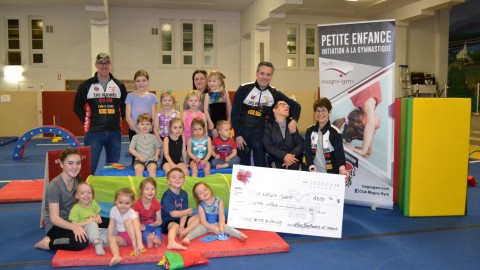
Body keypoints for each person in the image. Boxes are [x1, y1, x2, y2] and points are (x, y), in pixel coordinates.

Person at [231, 61, 301, 167]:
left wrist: (294, 120)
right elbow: (234, 113)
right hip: (242, 130)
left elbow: (296, 105)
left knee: (258, 147)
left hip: (259, 131)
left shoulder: (274, 93)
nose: (265, 77)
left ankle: (262, 179)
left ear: (271, 76)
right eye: (262, 73)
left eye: (268, 74)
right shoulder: (244, 88)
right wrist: (238, 134)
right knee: (243, 160)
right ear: (257, 73)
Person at [74, 53, 127, 175]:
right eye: (101, 63)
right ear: (96, 65)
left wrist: (116, 120)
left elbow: (124, 107)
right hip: (93, 133)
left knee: (113, 167)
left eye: (107, 63)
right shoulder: (86, 85)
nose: (104, 66)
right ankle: (85, 193)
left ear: (110, 65)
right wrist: (88, 120)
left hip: (114, 132)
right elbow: (77, 107)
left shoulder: (119, 85)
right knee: (89, 166)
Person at [34, 148, 89, 251]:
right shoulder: (54, 186)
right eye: (70, 163)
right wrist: (74, 227)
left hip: (74, 218)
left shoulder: (77, 180)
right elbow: (54, 218)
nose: (75, 167)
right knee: (81, 242)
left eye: (78, 163)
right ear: (62, 164)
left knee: (105, 222)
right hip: (56, 225)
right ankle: (47, 244)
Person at [182, 182, 247, 245]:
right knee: (198, 229)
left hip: (218, 223)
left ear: (209, 189)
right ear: (198, 197)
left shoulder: (219, 201)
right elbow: (203, 221)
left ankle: (239, 234)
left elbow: (221, 216)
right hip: (207, 225)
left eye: (205, 189)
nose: (204, 192)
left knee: (228, 228)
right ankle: (187, 238)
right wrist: (213, 228)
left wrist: (221, 227)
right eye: (200, 193)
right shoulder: (201, 206)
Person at [333, 81, 382, 157]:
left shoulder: (368, 99)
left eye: (375, 128)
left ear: (365, 121)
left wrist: (363, 150)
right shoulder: (361, 101)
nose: (379, 126)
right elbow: (369, 126)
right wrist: (369, 147)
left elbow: (370, 125)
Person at [305, 98, 349, 180]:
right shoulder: (309, 131)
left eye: (324, 110)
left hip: (331, 174)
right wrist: (311, 167)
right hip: (313, 173)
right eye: (317, 110)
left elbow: (339, 154)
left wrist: (342, 169)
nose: (320, 113)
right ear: (314, 113)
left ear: (329, 113)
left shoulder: (335, 132)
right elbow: (307, 152)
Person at [161, 168, 199, 250]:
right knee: (175, 225)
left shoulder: (184, 194)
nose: (177, 179)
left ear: (184, 181)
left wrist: (182, 226)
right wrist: (188, 211)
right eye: (174, 177)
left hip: (181, 220)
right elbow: (173, 214)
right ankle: (171, 242)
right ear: (168, 181)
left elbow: (184, 213)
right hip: (168, 222)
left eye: (180, 177)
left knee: (199, 217)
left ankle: (184, 232)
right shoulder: (167, 195)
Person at [125, 70, 159, 164]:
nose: (141, 83)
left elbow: (153, 115)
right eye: (138, 81)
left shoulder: (152, 97)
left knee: (149, 155)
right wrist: (137, 130)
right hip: (134, 131)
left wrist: (151, 129)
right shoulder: (130, 96)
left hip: (148, 131)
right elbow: (128, 116)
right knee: (136, 157)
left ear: (148, 81)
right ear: (134, 82)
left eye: (143, 80)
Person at [68, 181, 108, 255]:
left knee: (111, 231)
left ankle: (100, 241)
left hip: (94, 231)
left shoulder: (93, 203)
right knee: (92, 224)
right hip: (83, 232)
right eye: (82, 193)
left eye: (89, 193)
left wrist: (98, 218)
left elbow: (97, 214)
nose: (86, 195)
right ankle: (97, 244)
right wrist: (89, 222)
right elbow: (74, 224)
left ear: (92, 195)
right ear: (77, 196)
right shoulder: (76, 208)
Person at [263, 100, 304, 170]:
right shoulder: (268, 126)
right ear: (274, 110)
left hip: (293, 160)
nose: (286, 106)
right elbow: (268, 145)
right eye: (283, 104)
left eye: (287, 105)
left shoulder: (291, 125)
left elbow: (300, 143)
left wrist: (290, 157)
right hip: (276, 161)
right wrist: (284, 156)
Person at [108, 187, 144, 266]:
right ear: (115, 202)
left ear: (132, 203)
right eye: (120, 202)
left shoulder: (132, 213)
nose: (123, 206)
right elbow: (111, 226)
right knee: (112, 238)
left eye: (127, 203)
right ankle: (116, 256)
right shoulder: (113, 210)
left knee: (127, 222)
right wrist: (109, 239)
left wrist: (139, 243)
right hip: (123, 239)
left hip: (133, 237)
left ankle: (135, 247)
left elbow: (137, 229)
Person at [129, 113, 162, 178]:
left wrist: (156, 155)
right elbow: (131, 149)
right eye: (142, 124)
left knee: (152, 169)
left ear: (151, 126)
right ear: (137, 125)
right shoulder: (135, 137)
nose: (145, 126)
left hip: (151, 160)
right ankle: (139, 186)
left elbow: (158, 148)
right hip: (139, 160)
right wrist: (139, 157)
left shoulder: (153, 137)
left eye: (147, 124)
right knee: (138, 169)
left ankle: (152, 186)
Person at [133, 177, 163, 249]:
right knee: (144, 234)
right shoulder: (137, 204)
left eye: (152, 189)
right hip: (144, 227)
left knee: (158, 232)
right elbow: (136, 220)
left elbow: (160, 220)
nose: (150, 191)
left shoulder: (156, 203)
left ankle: (157, 241)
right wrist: (140, 226)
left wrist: (157, 222)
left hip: (154, 226)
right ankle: (149, 241)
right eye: (147, 189)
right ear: (141, 191)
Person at [203, 71, 232, 138]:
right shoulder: (208, 95)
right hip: (214, 123)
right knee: (216, 142)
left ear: (220, 82)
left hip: (224, 122)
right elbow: (205, 110)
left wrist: (229, 120)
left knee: (225, 140)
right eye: (209, 81)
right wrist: (210, 122)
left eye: (214, 81)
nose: (211, 83)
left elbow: (230, 108)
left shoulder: (224, 93)